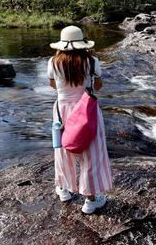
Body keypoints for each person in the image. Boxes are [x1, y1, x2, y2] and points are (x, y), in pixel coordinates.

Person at [47, 26, 113, 214]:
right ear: (82, 44)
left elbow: (53, 85)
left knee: (63, 150)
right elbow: (97, 86)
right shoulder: (92, 61)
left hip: (62, 110)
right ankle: (90, 200)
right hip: (86, 110)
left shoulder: (53, 62)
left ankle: (64, 189)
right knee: (91, 155)